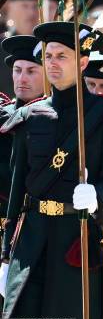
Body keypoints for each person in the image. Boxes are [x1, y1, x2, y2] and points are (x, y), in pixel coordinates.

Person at [0, 21, 103, 319]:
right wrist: (6, 253)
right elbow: (16, 190)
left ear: (83, 62)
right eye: (48, 56)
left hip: (77, 242)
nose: (52, 64)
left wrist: (97, 196)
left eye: (62, 56)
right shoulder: (30, 117)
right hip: (32, 243)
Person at [0, 35, 45, 215]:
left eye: (31, 71)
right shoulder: (3, 115)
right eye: (17, 70)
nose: (22, 79)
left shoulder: (64, 117)